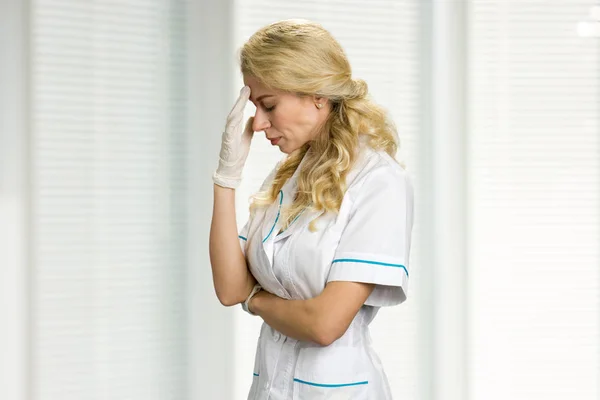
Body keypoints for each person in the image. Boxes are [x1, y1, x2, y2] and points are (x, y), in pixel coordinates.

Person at [209, 19, 414, 400]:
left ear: (316, 95)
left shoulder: (378, 182)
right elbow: (229, 287)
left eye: (269, 105)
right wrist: (226, 179)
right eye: (256, 107)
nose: (260, 122)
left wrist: (256, 301)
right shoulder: (285, 176)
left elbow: (325, 324)